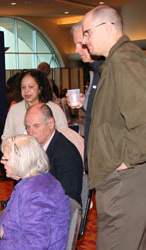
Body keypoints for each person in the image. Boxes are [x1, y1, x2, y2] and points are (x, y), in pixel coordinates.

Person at [81, 5, 146, 250]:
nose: (85, 41)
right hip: (121, 179)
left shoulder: (124, 60)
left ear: (108, 27)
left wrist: (126, 161)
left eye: (87, 33)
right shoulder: (116, 61)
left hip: (124, 179)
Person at [0, 134, 70, 250]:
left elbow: (37, 245)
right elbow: (18, 223)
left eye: (5, 159)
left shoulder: (36, 193)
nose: (2, 162)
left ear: (21, 161)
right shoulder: (35, 181)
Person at [25, 103, 83, 205]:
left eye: (36, 126)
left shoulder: (65, 152)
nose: (31, 132)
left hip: (60, 212)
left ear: (51, 124)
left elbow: (64, 195)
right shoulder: (36, 147)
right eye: (28, 127)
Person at [69, 21, 104, 173]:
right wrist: (85, 103)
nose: (77, 49)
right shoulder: (95, 71)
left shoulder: (108, 71)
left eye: (81, 44)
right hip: (97, 159)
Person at [1, 69, 68, 141]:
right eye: (23, 87)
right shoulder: (14, 110)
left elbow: (66, 135)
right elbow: (6, 138)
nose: (26, 91)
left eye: (31, 87)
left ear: (40, 89)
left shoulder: (54, 109)